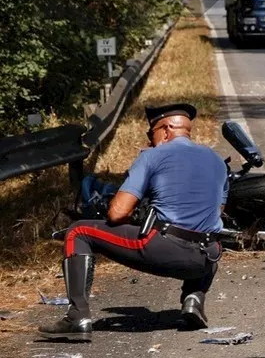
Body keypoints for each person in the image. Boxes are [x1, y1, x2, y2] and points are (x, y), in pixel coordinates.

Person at [39, 104, 228, 341]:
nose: (150, 140)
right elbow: (214, 212)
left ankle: (77, 316)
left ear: (166, 129)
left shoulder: (152, 156)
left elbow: (118, 212)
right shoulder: (217, 161)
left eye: (151, 134)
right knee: (206, 237)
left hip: (163, 249)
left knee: (79, 231)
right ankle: (194, 299)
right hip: (205, 260)